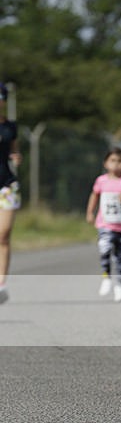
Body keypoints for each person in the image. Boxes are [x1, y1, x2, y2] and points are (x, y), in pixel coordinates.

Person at [85, 146, 121, 302]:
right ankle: (106, 277)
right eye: (113, 161)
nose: (116, 165)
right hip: (105, 224)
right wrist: (90, 212)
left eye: (120, 162)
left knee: (119, 256)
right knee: (104, 249)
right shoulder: (101, 181)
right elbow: (94, 196)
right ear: (105, 163)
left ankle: (119, 285)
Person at [0, 82, 22, 305]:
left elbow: (14, 149)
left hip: (6, 184)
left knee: (4, 234)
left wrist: (16, 156)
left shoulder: (10, 127)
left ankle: (2, 283)